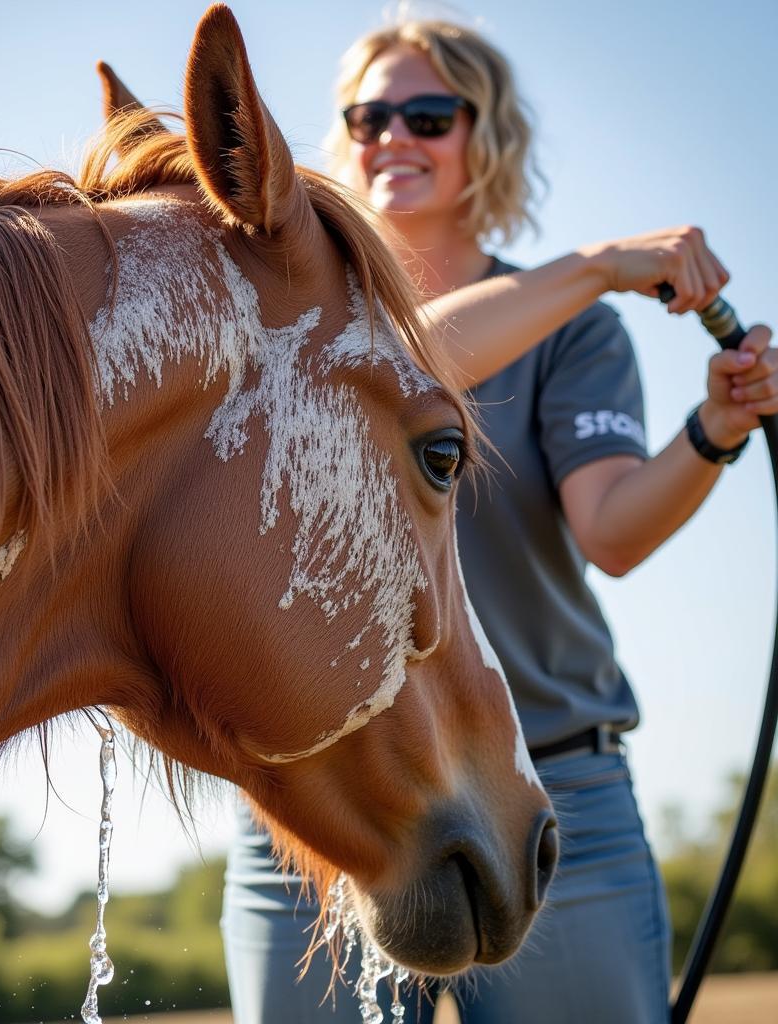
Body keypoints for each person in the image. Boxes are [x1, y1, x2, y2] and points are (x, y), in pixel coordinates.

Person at [220, 17, 777, 1024]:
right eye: (370, 115)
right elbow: (390, 365)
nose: (395, 135)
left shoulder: (577, 331)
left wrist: (715, 426)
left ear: (488, 137)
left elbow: (610, 531)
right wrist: (600, 263)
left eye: (428, 114)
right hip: (316, 802)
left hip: (548, 779)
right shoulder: (296, 317)